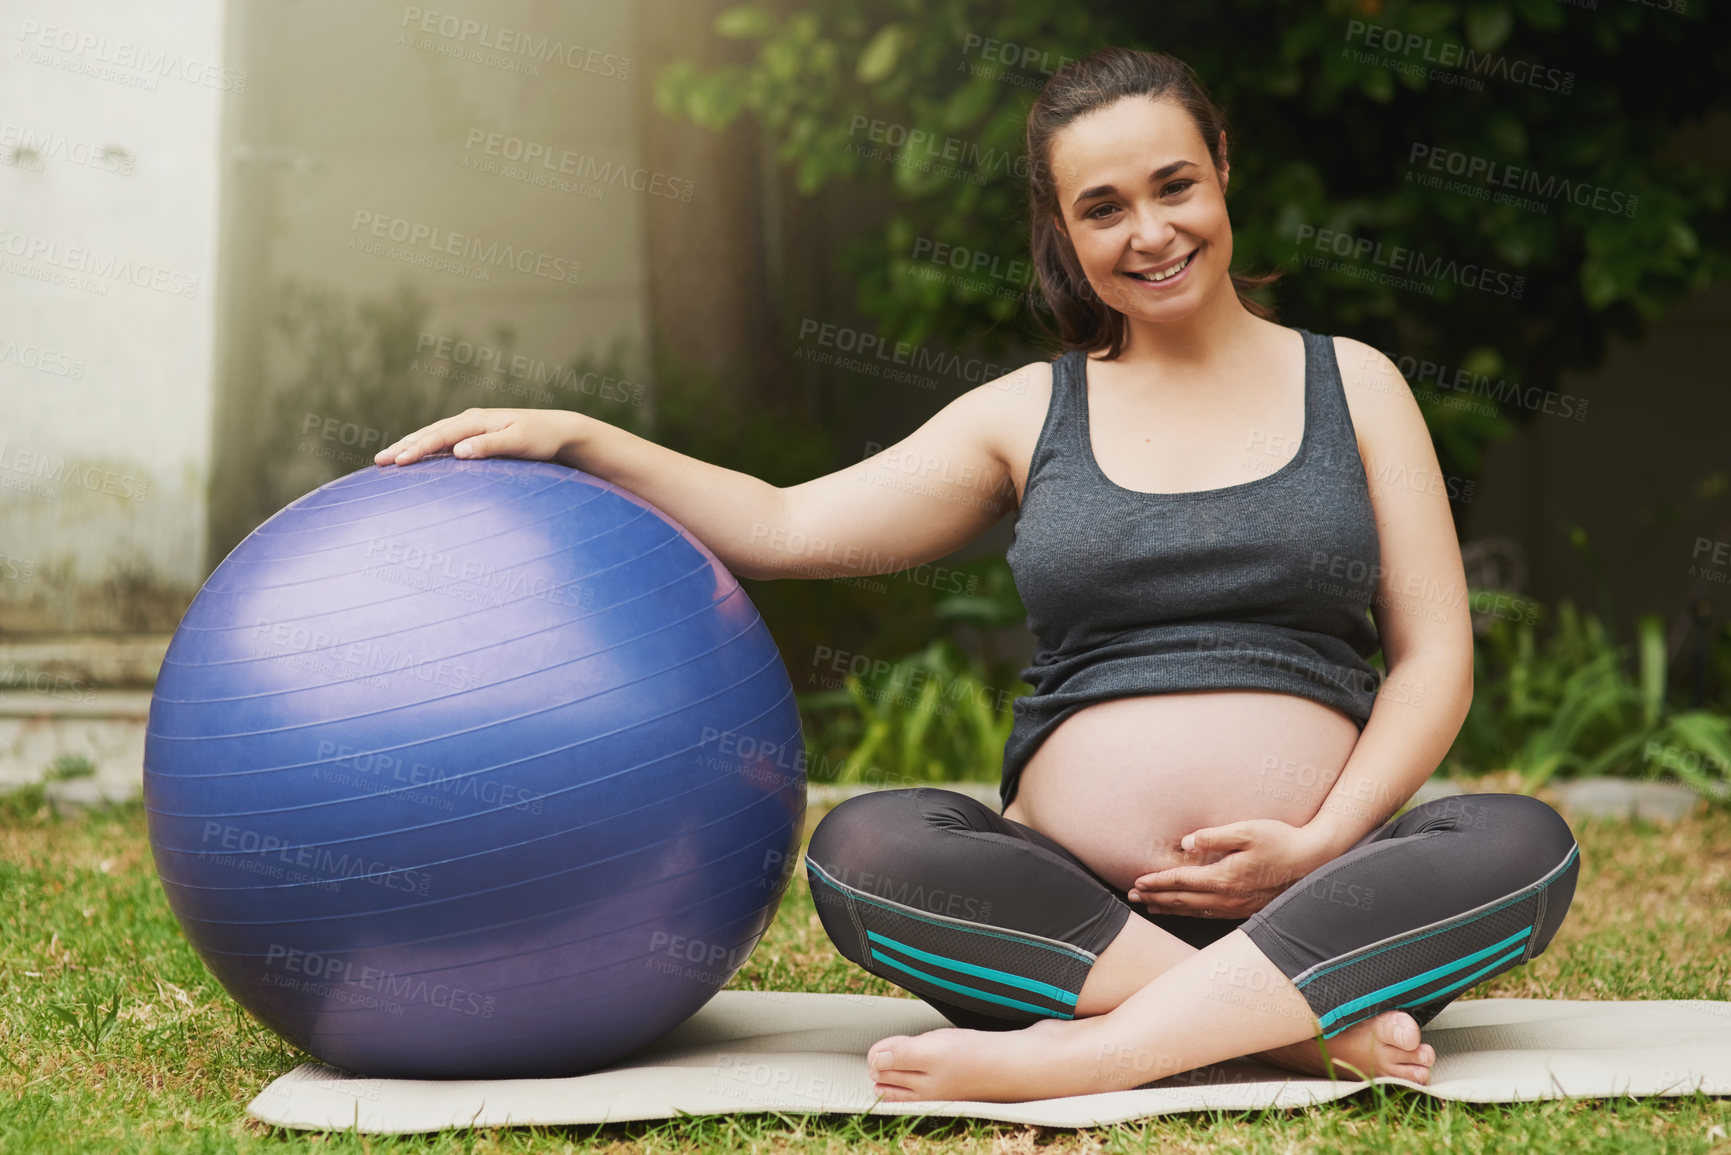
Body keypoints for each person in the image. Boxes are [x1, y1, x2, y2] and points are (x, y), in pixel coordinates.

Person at [375, 44, 1580, 1106]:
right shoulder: (1028, 415)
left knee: (1525, 843)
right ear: (1063, 228)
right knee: (867, 852)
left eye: (1174, 186)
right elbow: (789, 526)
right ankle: (1292, 1034)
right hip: (1074, 923)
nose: (1149, 233)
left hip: (1319, 898)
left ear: (1223, 168)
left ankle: (1085, 1059)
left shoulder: (1354, 383)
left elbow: (1435, 660)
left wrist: (1320, 843)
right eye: (1102, 208)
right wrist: (585, 435)